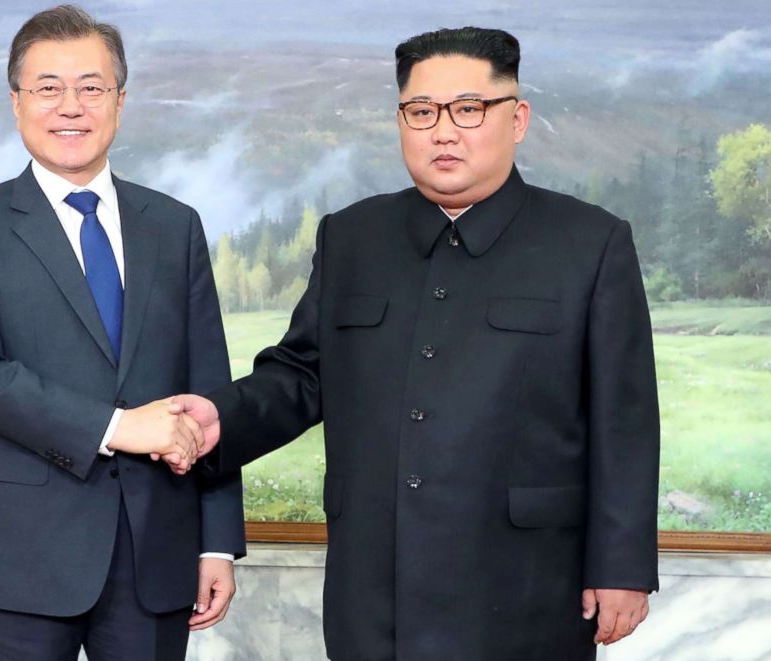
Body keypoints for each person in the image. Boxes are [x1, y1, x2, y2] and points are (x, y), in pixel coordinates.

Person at [173, 27, 659, 660]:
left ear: (517, 118)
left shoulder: (589, 243)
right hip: (375, 586)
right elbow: (303, 374)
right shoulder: (353, 236)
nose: (444, 131)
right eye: (422, 112)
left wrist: (622, 564)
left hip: (527, 583)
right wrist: (218, 420)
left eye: (468, 109)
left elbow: (624, 418)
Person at [0, 5, 244, 659]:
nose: (70, 106)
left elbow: (207, 388)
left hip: (156, 556)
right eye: (48, 87)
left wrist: (217, 538)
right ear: (17, 103)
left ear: (119, 102)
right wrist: (121, 427)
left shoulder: (174, 225)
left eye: (91, 87)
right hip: (20, 562)